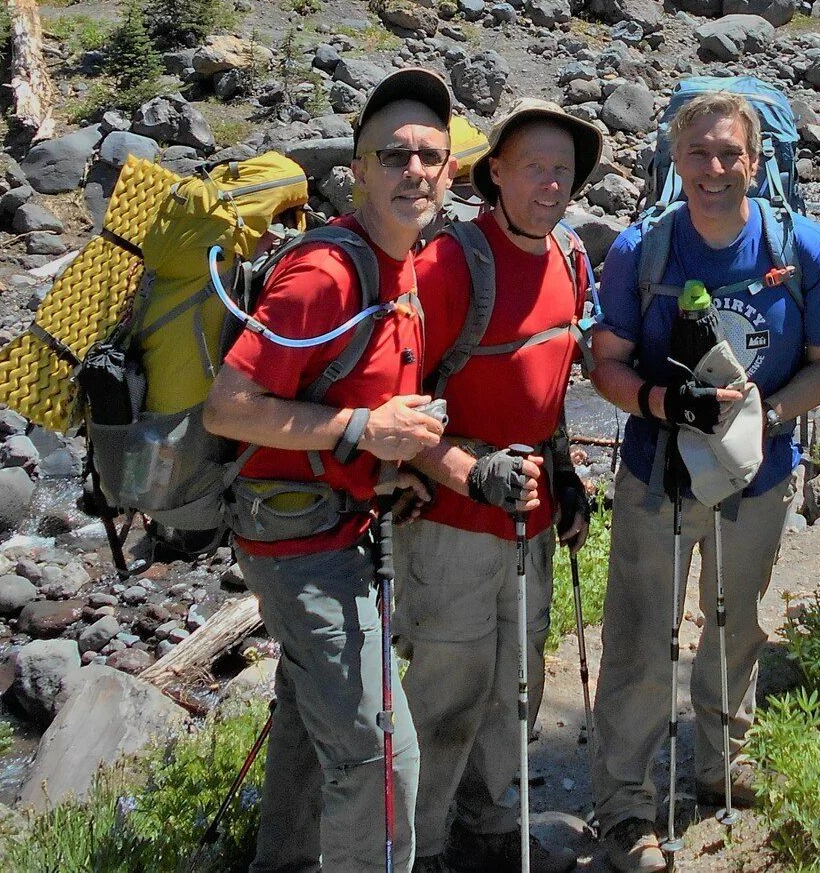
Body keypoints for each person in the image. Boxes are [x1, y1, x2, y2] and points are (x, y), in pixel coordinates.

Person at [588, 91, 820, 873]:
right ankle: (625, 807)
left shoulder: (800, 246)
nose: (715, 168)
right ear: (677, 161)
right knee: (640, 640)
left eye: (729, 153)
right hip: (657, 474)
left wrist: (764, 420)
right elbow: (603, 360)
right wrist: (659, 403)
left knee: (735, 622)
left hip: (757, 477)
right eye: (699, 153)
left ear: (756, 160)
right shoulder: (644, 249)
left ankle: (719, 760)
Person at [203, 68, 457, 873]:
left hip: (333, 521)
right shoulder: (326, 275)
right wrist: (362, 427)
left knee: (314, 731)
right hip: (295, 539)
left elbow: (347, 408)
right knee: (381, 761)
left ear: (450, 171)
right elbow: (228, 407)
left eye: (430, 155)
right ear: (359, 171)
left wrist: (384, 465)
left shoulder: (403, 261)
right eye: (394, 155)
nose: (413, 169)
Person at [395, 100, 604, 873]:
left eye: (563, 169)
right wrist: (464, 469)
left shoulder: (571, 258)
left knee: (517, 682)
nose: (551, 183)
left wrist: (568, 474)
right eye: (534, 167)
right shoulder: (452, 264)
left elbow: (546, 391)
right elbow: (395, 399)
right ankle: (417, 847)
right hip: (452, 519)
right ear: (497, 175)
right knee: (447, 693)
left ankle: (487, 827)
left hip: (530, 512)